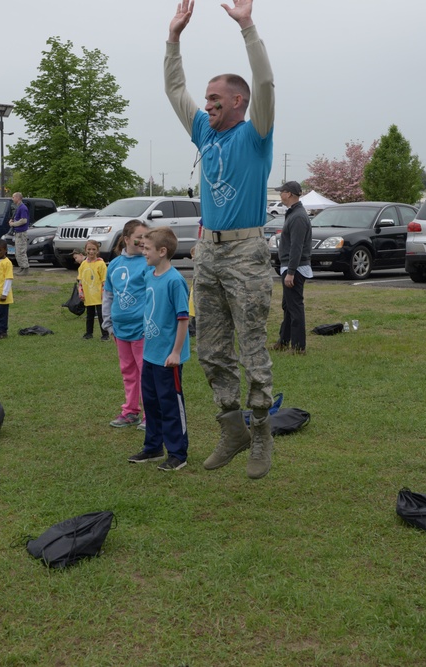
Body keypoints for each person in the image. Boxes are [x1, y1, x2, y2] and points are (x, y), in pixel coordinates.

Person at [165, 0, 277, 479]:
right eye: (206, 97)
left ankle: (261, 432)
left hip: (247, 252)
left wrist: (247, 26)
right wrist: (173, 39)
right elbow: (174, 89)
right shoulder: (204, 134)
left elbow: (266, 83)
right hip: (207, 251)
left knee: (251, 346)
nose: (206, 103)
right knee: (210, 349)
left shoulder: (256, 135)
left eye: (215, 98)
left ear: (237, 102)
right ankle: (231, 427)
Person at [126, 228, 191, 471]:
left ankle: (178, 453)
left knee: (170, 404)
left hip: (168, 357)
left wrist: (175, 353)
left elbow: (183, 319)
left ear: (162, 252)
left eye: (147, 249)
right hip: (150, 354)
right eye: (142, 247)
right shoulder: (150, 275)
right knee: (151, 402)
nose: (143, 252)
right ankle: (153, 447)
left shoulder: (175, 281)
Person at [102, 220, 149, 428]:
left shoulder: (149, 262)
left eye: (147, 237)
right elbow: (108, 295)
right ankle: (130, 411)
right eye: (139, 236)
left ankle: (151, 416)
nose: (143, 241)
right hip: (120, 330)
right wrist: (108, 323)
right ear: (127, 239)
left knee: (145, 373)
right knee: (128, 371)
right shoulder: (114, 265)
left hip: (142, 330)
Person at [273, 181, 312, 353]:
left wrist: (291, 272)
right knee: (287, 306)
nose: (280, 195)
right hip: (289, 267)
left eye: (282, 192)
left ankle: (298, 347)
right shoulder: (293, 214)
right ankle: (283, 341)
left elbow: (297, 246)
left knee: (295, 308)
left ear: (289, 194)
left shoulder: (298, 217)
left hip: (294, 268)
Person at [77, 239, 109, 341]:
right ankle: (88, 333)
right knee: (89, 315)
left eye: (94, 249)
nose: (91, 252)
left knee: (101, 316)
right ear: (85, 250)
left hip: (99, 295)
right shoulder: (83, 264)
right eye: (89, 249)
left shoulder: (101, 264)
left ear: (97, 251)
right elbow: (80, 280)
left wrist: (104, 294)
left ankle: (105, 334)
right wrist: (81, 292)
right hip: (88, 295)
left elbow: (104, 280)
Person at [9, 192, 31, 275]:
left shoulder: (23, 208)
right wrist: (12, 221)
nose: (12, 199)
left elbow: (24, 220)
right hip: (18, 232)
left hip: (21, 232)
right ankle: (22, 267)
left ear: (18, 198)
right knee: (18, 251)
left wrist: (13, 224)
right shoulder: (19, 207)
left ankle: (25, 268)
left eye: (13, 197)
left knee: (21, 251)